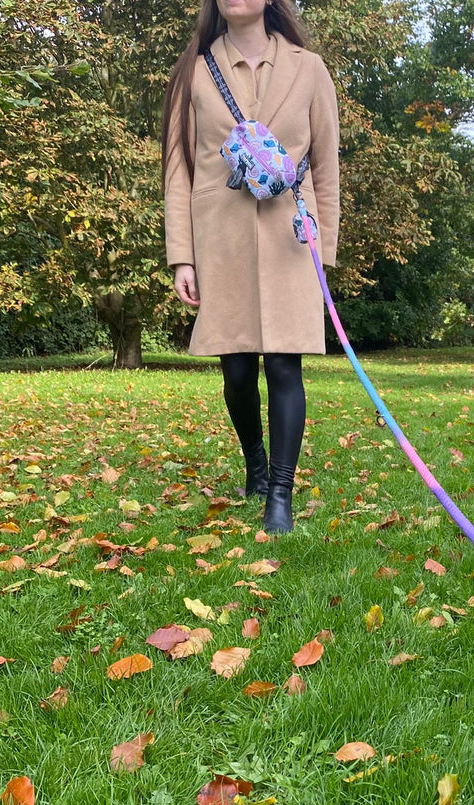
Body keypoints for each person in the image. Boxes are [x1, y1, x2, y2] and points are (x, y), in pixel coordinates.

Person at [162, 0, 340, 533]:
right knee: (237, 372)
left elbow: (326, 164)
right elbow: (178, 170)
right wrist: (182, 256)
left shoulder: (309, 68)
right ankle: (255, 466)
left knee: (285, 365)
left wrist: (325, 249)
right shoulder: (193, 72)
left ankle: (279, 495)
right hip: (221, 240)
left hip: (292, 236)